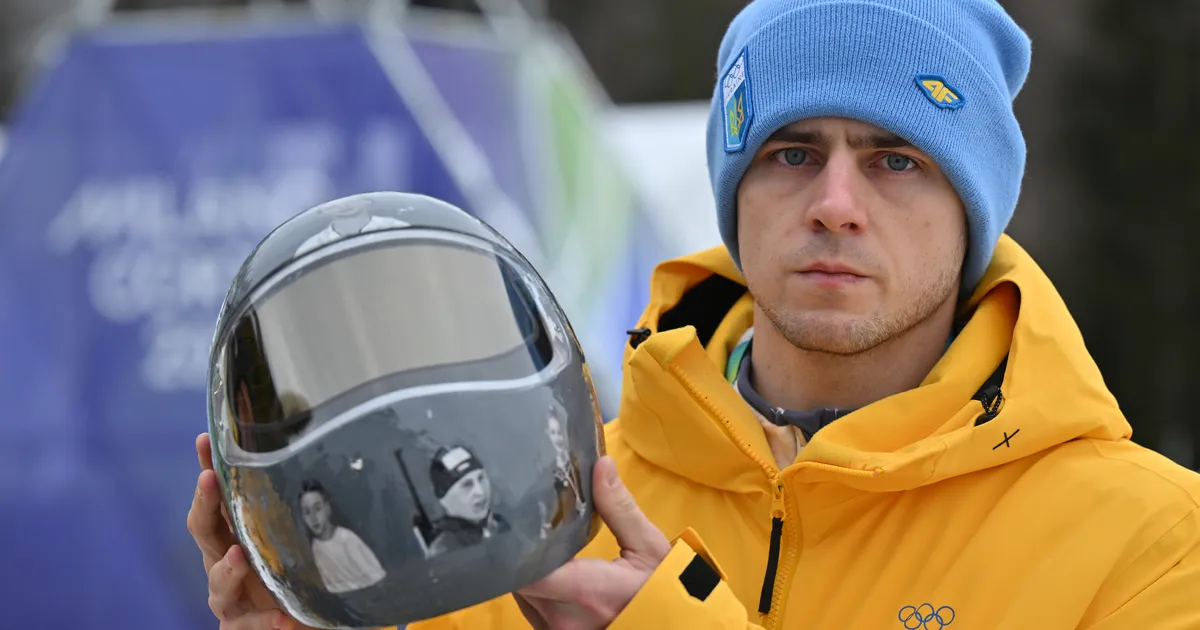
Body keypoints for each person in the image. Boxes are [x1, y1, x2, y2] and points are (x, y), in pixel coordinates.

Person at [187, 0, 1200, 627]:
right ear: (734, 192)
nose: (835, 203)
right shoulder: (532, 507)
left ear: (974, 209)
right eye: (791, 153)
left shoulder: (1149, 542)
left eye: (896, 161)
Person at [297, 481, 387, 594]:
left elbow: (377, 577)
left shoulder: (346, 539)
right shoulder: (315, 547)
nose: (313, 518)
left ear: (327, 508)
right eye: (307, 512)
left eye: (317, 508)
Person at [423, 446, 511, 558]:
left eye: (481, 478)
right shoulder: (445, 550)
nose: (480, 492)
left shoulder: (500, 524)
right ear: (444, 499)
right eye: (467, 485)